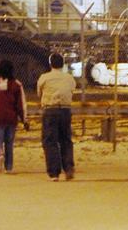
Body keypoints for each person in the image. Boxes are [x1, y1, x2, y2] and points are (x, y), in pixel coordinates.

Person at [36, 51, 77, 180]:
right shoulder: (69, 78)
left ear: (50, 64)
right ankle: (68, 167)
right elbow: (72, 91)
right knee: (66, 140)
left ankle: (54, 172)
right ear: (63, 64)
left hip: (50, 110)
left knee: (50, 141)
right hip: (65, 110)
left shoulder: (44, 77)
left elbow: (39, 93)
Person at [0, 59, 27, 174]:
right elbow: (21, 104)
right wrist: (24, 119)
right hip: (11, 117)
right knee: (9, 142)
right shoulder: (17, 84)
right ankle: (9, 167)